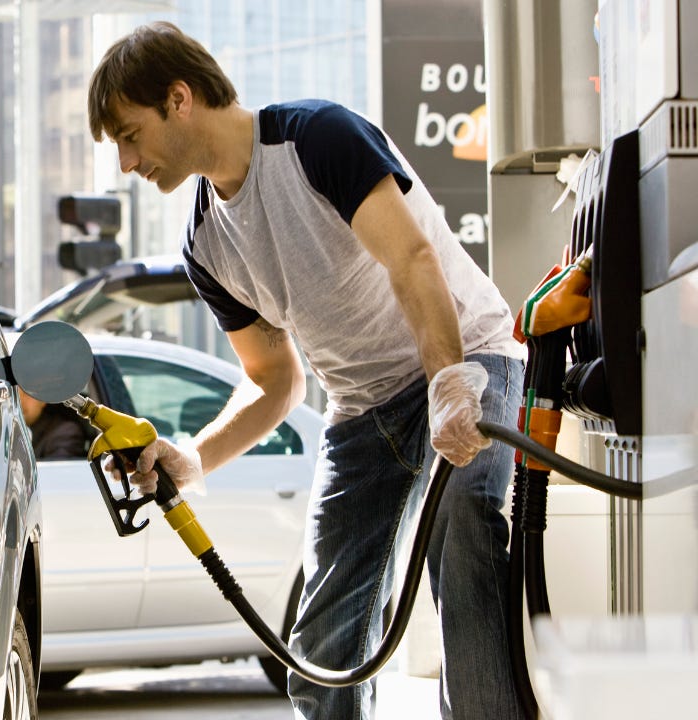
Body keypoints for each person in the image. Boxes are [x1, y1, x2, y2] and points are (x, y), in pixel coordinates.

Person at [86, 22, 525, 720]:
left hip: (466, 358)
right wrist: (192, 457)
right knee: (325, 640)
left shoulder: (318, 139)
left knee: (464, 528)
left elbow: (411, 259)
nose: (126, 164)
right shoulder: (204, 242)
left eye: (129, 136)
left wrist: (448, 384)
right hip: (363, 411)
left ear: (178, 98)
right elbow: (273, 379)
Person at [18, 389, 88, 459]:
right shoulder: (11, 430)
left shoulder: (64, 433)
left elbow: (59, 468)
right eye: (15, 395)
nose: (20, 401)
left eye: (28, 394)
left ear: (43, 400)